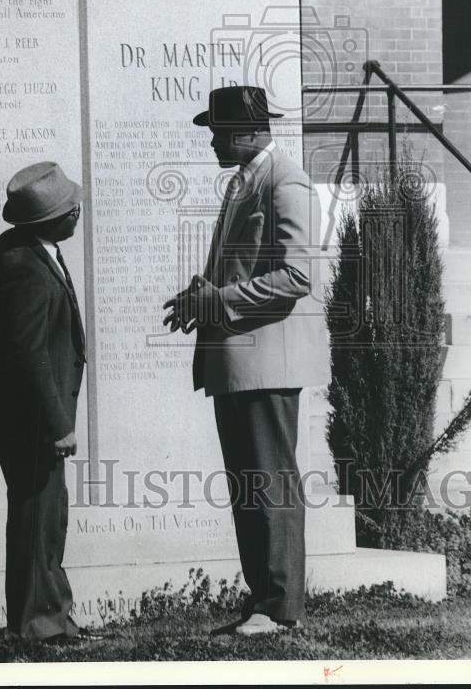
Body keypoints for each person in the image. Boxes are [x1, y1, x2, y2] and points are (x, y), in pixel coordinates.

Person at [163, 86, 329, 635]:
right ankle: (264, 603)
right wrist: (203, 295)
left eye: (218, 131)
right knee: (249, 485)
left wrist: (221, 300)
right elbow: (246, 270)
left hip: (268, 360)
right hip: (241, 359)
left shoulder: (286, 181)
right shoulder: (247, 181)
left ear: (248, 133)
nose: (211, 141)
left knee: (269, 481)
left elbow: (299, 277)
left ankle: (280, 607)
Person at [0, 161, 90, 643]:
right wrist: (58, 423)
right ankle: (38, 625)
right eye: (68, 207)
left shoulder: (29, 249)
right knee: (38, 520)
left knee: (47, 518)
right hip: (32, 420)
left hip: (32, 418)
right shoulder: (24, 264)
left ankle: (51, 618)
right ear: (47, 220)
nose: (78, 209)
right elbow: (29, 352)